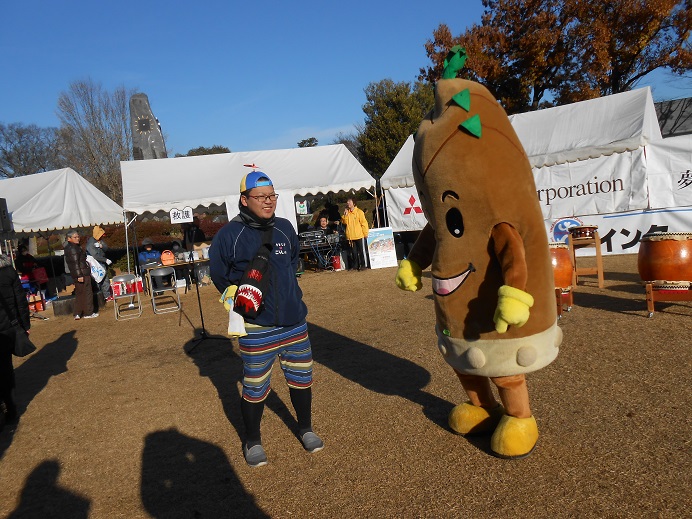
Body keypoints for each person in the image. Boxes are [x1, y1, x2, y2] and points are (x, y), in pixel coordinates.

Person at [209, 171, 323, 467]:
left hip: (294, 323)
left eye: (272, 196)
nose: (269, 202)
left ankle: (306, 428)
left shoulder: (285, 228)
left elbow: (294, 260)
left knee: (301, 380)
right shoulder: (228, 235)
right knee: (255, 386)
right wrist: (233, 295)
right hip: (256, 328)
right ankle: (252, 440)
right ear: (244, 200)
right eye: (261, 197)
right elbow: (218, 274)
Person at [0, 253, 30, 425]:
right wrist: (24, 324)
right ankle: (10, 408)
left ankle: (8, 407)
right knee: (5, 369)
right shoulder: (10, 273)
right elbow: (20, 300)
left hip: (6, 326)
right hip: (8, 326)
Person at [64, 230, 98, 320]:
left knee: (79, 293)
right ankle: (88, 312)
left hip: (78, 274)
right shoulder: (73, 248)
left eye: (78, 236)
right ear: (69, 238)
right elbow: (75, 264)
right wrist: (79, 275)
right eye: (75, 237)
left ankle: (78, 313)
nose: (77, 238)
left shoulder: (70, 248)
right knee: (87, 293)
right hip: (82, 273)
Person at [341, 197, 369, 270]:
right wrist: (345, 215)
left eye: (349, 202)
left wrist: (365, 233)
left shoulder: (359, 212)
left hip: (359, 235)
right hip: (351, 236)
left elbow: (364, 223)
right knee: (354, 252)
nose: (348, 203)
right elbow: (344, 222)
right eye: (347, 202)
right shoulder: (348, 213)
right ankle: (355, 265)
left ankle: (363, 265)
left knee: (361, 251)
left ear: (354, 203)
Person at [86, 225, 112, 302]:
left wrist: (101, 246)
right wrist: (105, 259)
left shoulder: (100, 241)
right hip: (95, 264)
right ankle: (99, 297)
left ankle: (107, 296)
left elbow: (106, 248)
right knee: (97, 280)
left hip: (102, 263)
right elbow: (95, 255)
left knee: (105, 279)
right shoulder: (91, 243)